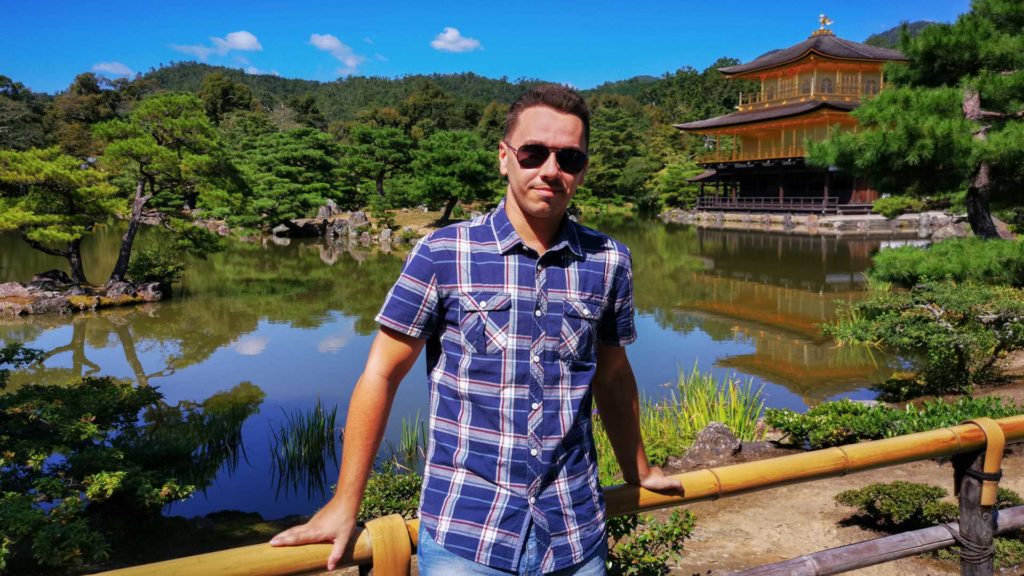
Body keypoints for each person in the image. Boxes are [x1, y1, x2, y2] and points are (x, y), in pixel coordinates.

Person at [270, 84, 681, 575]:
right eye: (533, 153)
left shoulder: (609, 260)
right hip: (467, 535)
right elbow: (380, 374)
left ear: (583, 170)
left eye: (569, 158)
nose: (551, 170)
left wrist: (640, 468)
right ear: (504, 158)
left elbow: (612, 376)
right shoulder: (443, 253)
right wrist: (345, 503)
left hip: (574, 533)